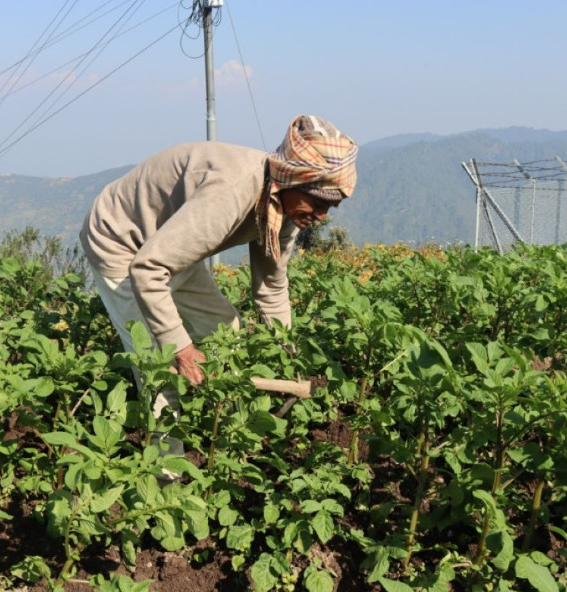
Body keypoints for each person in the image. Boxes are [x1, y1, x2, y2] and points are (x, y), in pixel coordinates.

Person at [79, 114, 358, 434]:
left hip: (166, 248)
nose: (321, 216)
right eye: (318, 202)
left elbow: (271, 285)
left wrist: (288, 355)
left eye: (331, 207)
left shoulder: (285, 209)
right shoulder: (233, 193)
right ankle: (167, 475)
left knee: (227, 332)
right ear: (292, 180)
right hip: (121, 243)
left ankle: (224, 434)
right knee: (159, 369)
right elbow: (147, 269)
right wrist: (181, 349)